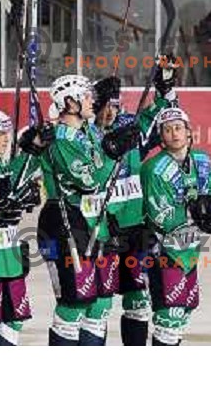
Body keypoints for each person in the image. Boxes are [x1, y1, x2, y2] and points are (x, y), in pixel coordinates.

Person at [37, 74, 138, 346]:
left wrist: (113, 141)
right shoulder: (60, 138)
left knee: (100, 306)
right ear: (69, 102)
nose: (91, 100)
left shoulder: (88, 130)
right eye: (85, 96)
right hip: (67, 223)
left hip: (95, 222)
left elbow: (101, 148)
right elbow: (90, 180)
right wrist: (113, 152)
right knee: (75, 304)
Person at [90, 64, 178, 346]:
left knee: (138, 301)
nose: (112, 112)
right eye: (106, 105)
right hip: (103, 229)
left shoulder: (128, 128)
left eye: (116, 105)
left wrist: (164, 88)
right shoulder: (88, 135)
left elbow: (159, 115)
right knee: (98, 305)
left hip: (135, 228)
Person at [140, 107, 211, 346]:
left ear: (189, 132)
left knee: (184, 313)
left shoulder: (202, 161)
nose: (174, 134)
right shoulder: (153, 168)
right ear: (161, 136)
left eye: (178, 128)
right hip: (162, 250)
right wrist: (196, 212)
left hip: (189, 250)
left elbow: (210, 193)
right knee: (168, 318)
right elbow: (160, 214)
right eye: (167, 129)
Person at [0, 108, 49, 346]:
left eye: (7, 133)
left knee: (12, 322)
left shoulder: (2, 167)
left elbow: (22, 170)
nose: (5, 138)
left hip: (9, 259)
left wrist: (35, 147)